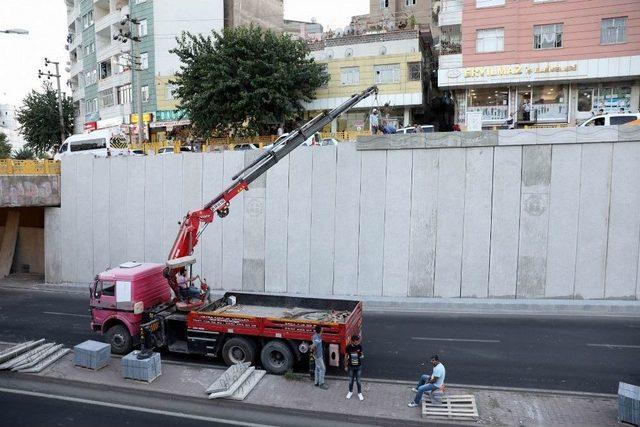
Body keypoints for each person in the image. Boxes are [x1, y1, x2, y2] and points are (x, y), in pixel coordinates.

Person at [345, 334, 364, 401]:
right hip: (351, 367)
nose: (358, 342)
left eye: (358, 341)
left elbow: (361, 354)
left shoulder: (359, 346)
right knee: (351, 381)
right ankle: (350, 392)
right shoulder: (348, 347)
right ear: (352, 341)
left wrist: (361, 355)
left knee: (358, 381)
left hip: (358, 366)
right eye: (356, 341)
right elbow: (346, 356)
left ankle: (359, 393)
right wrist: (346, 366)